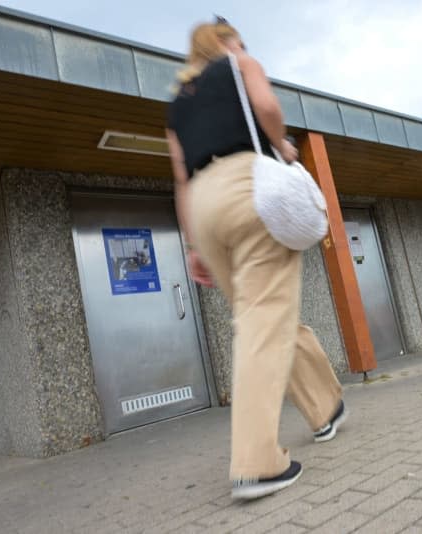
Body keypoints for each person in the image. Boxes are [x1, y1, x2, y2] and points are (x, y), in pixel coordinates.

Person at [166, 18, 346, 501]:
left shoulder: (176, 107)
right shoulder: (240, 63)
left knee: (261, 314)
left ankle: (324, 407)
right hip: (248, 185)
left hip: (203, 206)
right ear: (224, 44)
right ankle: (256, 464)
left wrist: (194, 246)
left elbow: (181, 179)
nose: (244, 47)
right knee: (263, 322)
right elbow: (266, 106)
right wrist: (281, 144)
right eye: (239, 41)